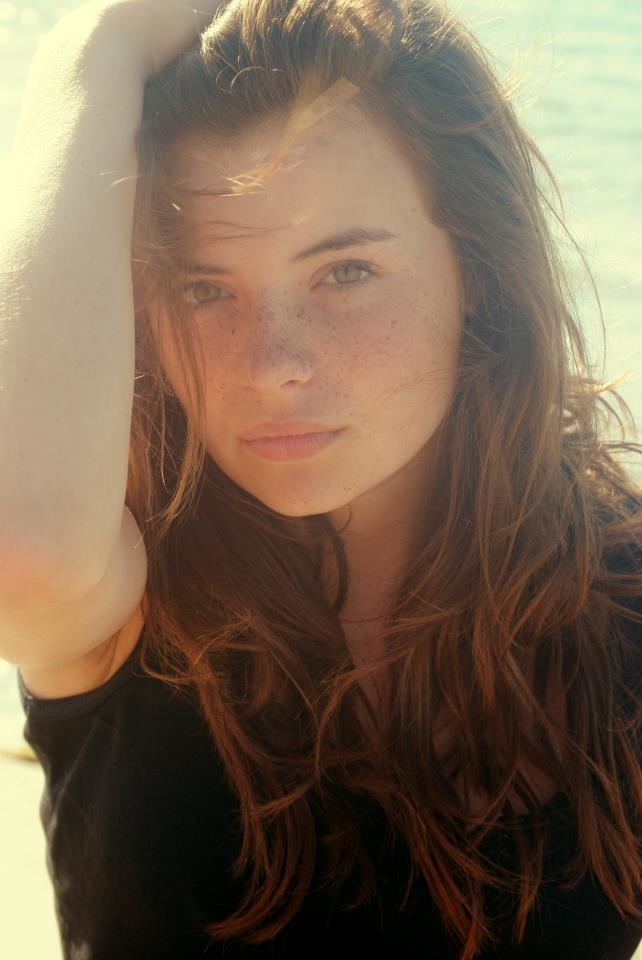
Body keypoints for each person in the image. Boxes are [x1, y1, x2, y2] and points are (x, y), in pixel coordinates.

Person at [0, 0, 641, 957]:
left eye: (345, 272)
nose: (273, 364)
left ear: (481, 268)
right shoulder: (132, 585)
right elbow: (23, 552)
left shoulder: (618, 598)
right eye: (204, 288)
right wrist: (94, 49)